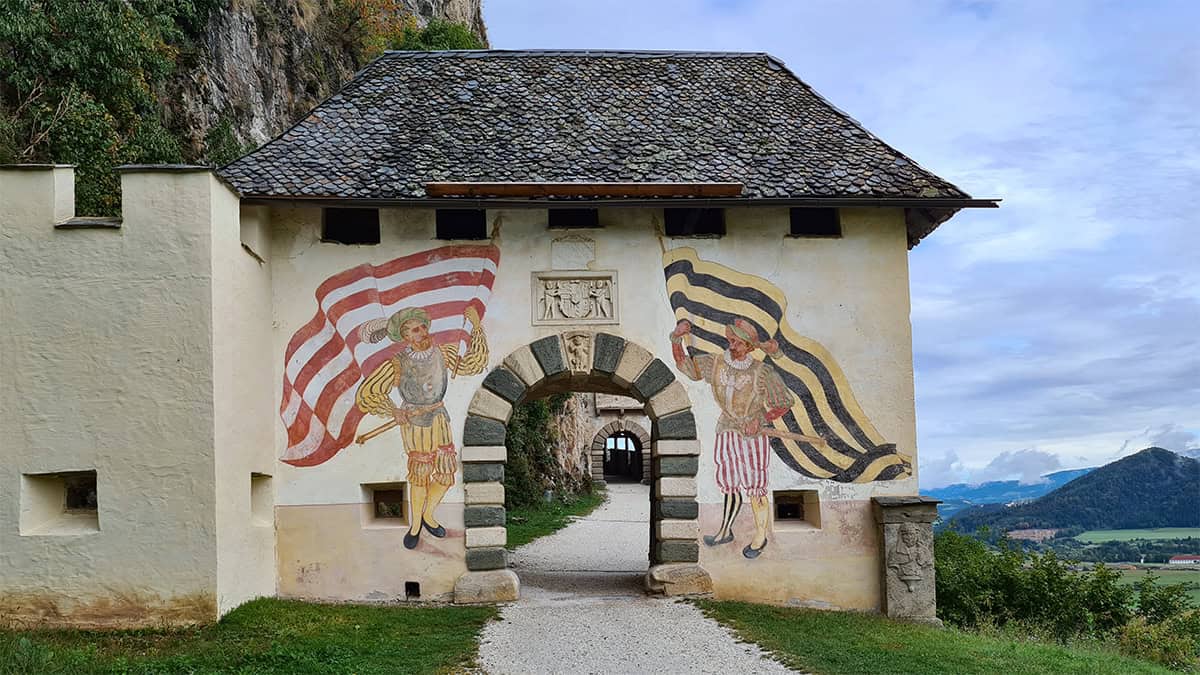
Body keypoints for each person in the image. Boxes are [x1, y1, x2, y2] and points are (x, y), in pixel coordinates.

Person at [356, 306, 488, 549]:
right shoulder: (398, 362)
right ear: (406, 336)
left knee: (446, 475)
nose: (423, 332)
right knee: (420, 475)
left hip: (439, 417)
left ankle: (428, 514)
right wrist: (393, 410)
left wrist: (476, 327)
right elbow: (368, 393)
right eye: (416, 329)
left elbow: (474, 363)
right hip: (415, 422)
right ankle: (416, 525)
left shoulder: (444, 353)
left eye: (423, 326)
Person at [670, 318, 794, 558]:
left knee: (756, 485)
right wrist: (677, 338)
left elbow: (784, 401)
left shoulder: (762, 371)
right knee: (729, 482)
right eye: (731, 339)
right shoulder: (715, 363)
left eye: (738, 341)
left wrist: (762, 419)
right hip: (726, 429)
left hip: (754, 435)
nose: (732, 344)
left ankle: (760, 536)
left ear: (749, 346)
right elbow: (685, 365)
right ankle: (725, 530)